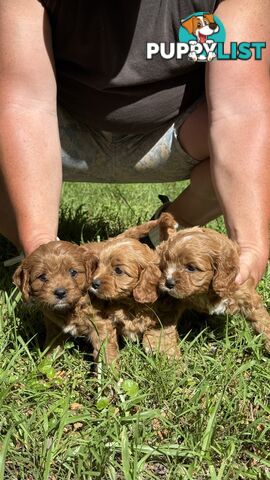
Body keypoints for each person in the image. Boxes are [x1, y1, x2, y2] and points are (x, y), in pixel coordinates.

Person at [0, 0, 269, 285]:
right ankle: (34, 246)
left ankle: (165, 230)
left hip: (175, 131)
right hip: (59, 131)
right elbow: (24, 105)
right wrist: (39, 241)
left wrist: (250, 244)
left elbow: (240, 111)